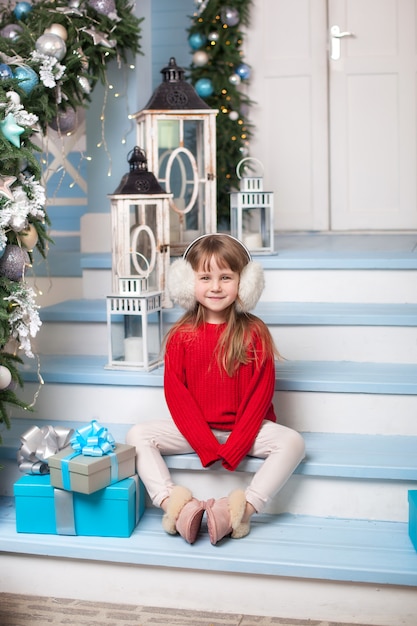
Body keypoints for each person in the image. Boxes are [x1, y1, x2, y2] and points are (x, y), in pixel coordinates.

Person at [126, 234, 305, 545]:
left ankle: (240, 512)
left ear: (245, 283)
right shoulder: (181, 335)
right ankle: (177, 507)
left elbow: (260, 398)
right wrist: (205, 445)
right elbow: (177, 396)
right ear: (187, 282)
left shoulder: (255, 332)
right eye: (205, 277)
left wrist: (236, 445)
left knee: (293, 442)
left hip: (245, 432)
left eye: (226, 277)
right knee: (137, 436)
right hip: (195, 431)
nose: (216, 287)